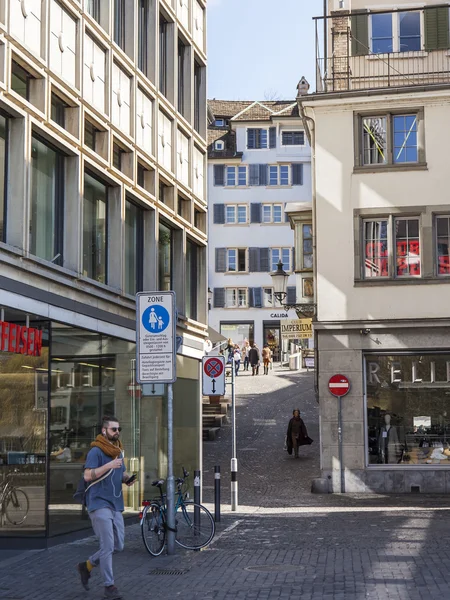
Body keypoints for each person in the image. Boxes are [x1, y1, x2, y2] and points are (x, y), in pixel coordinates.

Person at [76, 416, 136, 600]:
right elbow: (87, 475)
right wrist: (109, 464)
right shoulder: (96, 451)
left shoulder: (118, 450)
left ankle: (87, 565)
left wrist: (127, 478)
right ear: (104, 431)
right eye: (113, 429)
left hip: (115, 504)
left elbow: (121, 472)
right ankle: (109, 586)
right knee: (108, 546)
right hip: (99, 503)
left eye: (119, 429)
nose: (117, 432)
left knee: (118, 545)